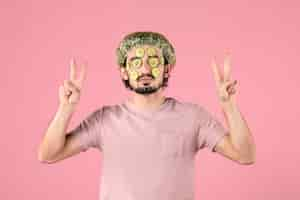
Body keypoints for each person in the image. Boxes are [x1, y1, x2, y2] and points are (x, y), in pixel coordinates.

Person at [38, 31, 256, 200]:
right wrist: (65, 109)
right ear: (124, 71)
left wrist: (229, 107)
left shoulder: (193, 117)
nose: (144, 69)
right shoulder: (105, 120)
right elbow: (48, 154)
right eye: (135, 62)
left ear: (167, 69)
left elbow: (245, 155)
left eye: (153, 61)